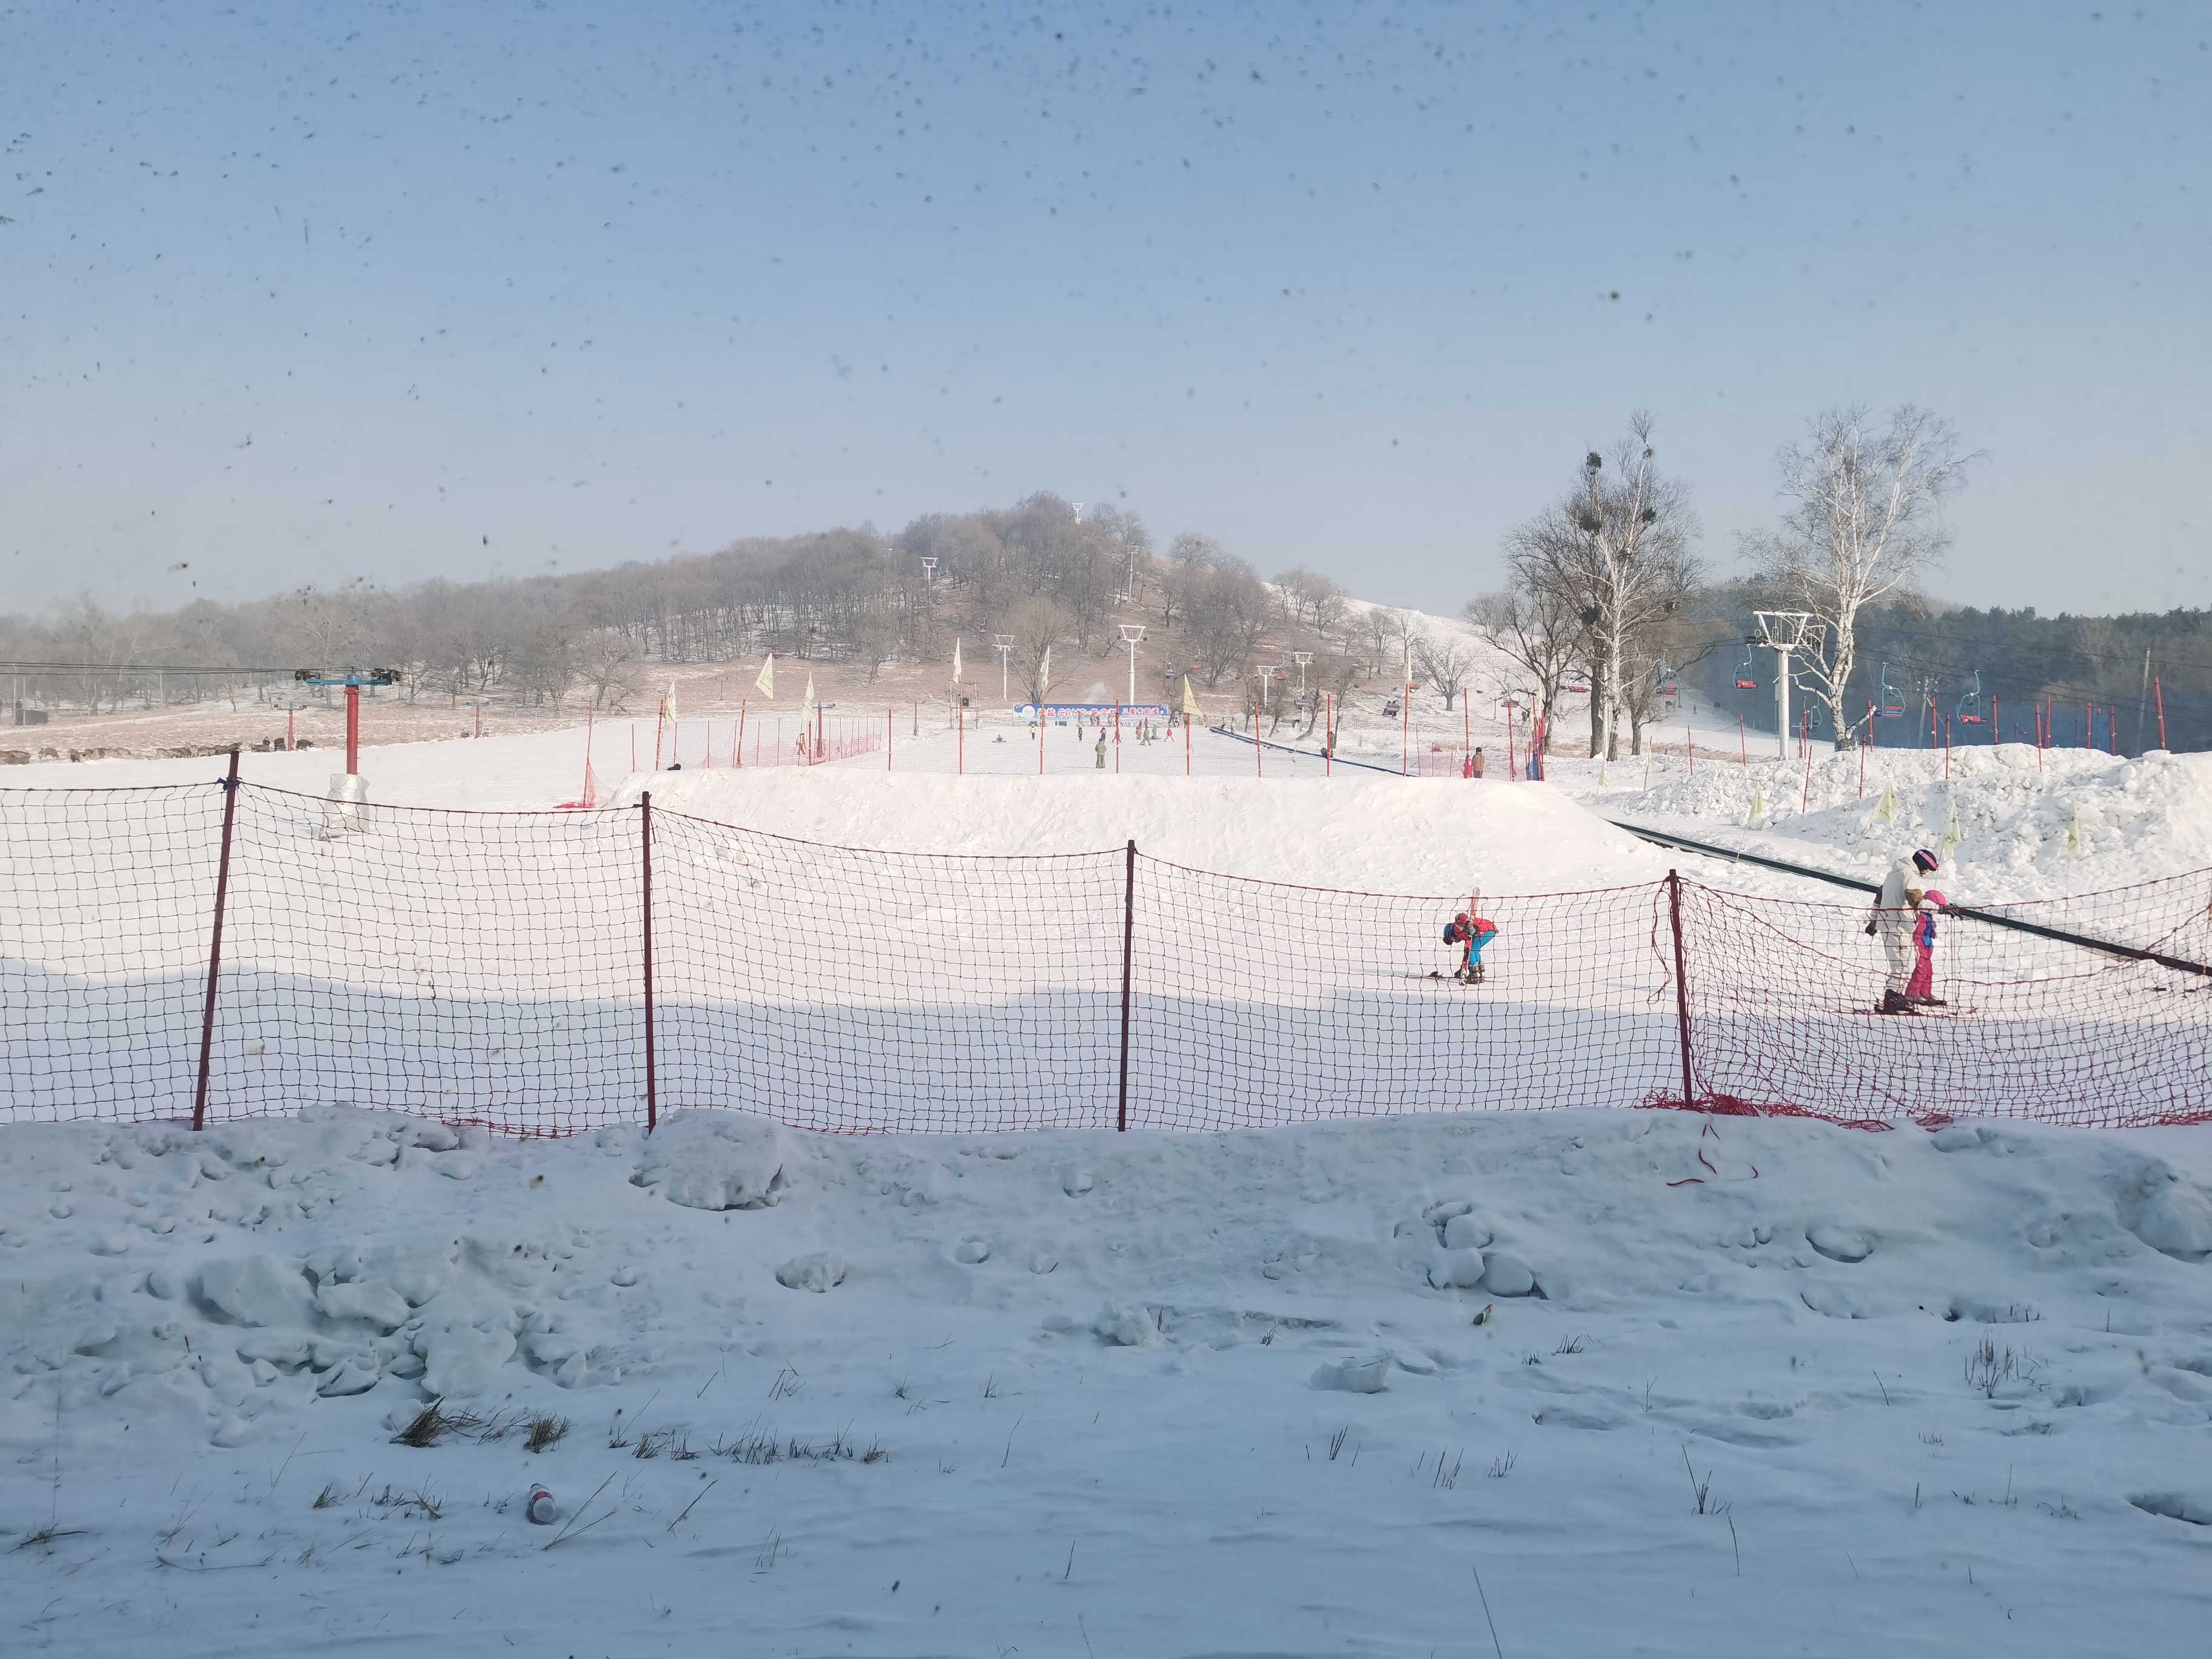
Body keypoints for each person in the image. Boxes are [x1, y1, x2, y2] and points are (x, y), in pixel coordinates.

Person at [1870, 848, 1939, 1013]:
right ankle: (1892, 999)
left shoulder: (1893, 874)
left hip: (1890, 924)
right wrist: (1940, 908)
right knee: (1902, 966)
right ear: (1921, 864)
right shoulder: (1910, 875)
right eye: (1926, 869)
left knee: (1904, 964)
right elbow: (1915, 900)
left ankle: (1895, 997)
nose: (1926, 872)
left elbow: (1879, 898)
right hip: (1898, 926)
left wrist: (1874, 920)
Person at [1906, 888, 1948, 1005]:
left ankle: (1925, 993)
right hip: (1920, 948)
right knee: (1920, 971)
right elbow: (1917, 932)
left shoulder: (1929, 916)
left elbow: (1933, 926)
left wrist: (1933, 930)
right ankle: (1912, 995)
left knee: (1928, 972)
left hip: (1927, 949)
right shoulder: (1920, 916)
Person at [1444, 910, 1498, 984]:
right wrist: (1461, 971)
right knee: (1474, 950)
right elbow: (1466, 957)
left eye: (1452, 939)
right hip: (1489, 930)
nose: (1456, 941)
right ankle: (1480, 971)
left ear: (1450, 933)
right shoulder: (1465, 935)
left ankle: (1474, 974)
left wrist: (1467, 922)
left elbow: (1460, 916)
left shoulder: (1457, 925)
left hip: (1485, 930)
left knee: (1471, 950)